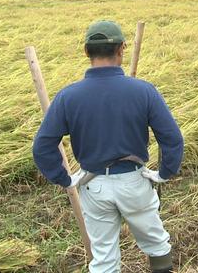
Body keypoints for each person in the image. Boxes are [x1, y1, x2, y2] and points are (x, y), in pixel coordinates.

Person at [32, 21, 184, 273]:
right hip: (135, 182)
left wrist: (65, 179)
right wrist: (164, 173)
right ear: (121, 49)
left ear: (86, 52)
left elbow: (42, 146)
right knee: (156, 243)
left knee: (103, 258)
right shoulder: (143, 90)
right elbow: (172, 138)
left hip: (93, 184)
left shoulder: (68, 97)